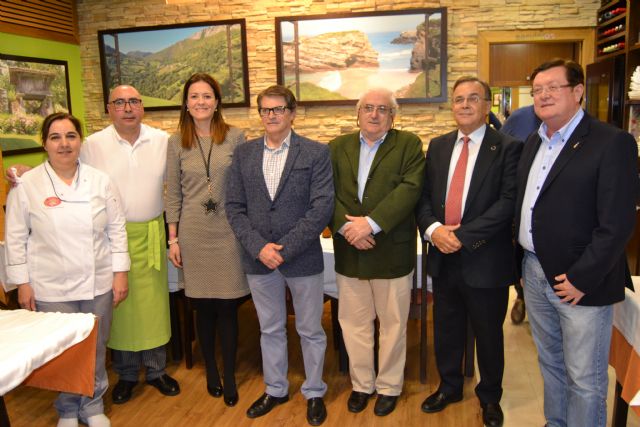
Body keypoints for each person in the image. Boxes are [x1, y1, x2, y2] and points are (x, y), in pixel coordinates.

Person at [515, 58, 638, 427]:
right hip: (535, 272)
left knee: (585, 379)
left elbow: (616, 223)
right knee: (550, 364)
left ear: (579, 91)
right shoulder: (533, 143)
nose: (544, 95)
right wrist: (521, 268)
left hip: (581, 282)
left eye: (553, 87)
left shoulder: (611, 142)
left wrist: (582, 278)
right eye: (537, 90)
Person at [4, 112, 130, 427]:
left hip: (97, 280)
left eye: (71, 136)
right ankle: (68, 410)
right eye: (56, 137)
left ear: (80, 141)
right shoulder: (27, 184)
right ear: (44, 144)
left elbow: (117, 230)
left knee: (94, 346)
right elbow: (16, 237)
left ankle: (92, 405)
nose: (64, 144)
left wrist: (120, 273)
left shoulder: (100, 180)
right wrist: (22, 282)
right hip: (49, 285)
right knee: (62, 353)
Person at [415, 77, 522, 427]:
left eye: (472, 98)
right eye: (458, 99)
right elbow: (425, 197)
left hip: (484, 257)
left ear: (487, 104)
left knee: (488, 333)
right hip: (443, 255)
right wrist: (434, 231)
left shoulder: (507, 147)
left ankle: (490, 397)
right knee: (446, 327)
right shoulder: (438, 145)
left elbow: (508, 202)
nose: (464, 105)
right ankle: (449, 386)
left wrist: (463, 235)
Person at [225, 85, 334, 426]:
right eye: (265, 110)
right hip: (258, 259)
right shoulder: (244, 154)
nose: (270, 116)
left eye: (277, 109)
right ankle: (276, 389)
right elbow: (234, 206)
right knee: (270, 329)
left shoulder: (315, 153)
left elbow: (321, 208)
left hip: (301, 258)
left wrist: (283, 250)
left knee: (310, 329)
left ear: (292, 112)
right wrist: (258, 247)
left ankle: (314, 391)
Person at [329, 88, 424, 417]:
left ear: (392, 116)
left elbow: (410, 189)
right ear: (358, 113)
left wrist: (370, 224)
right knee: (353, 325)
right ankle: (361, 384)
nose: (374, 114)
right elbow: (326, 193)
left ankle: (388, 386)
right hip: (350, 252)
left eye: (382, 109)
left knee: (393, 325)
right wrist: (347, 229)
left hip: (391, 253)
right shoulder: (337, 147)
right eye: (367, 107)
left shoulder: (408, 145)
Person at [81, 85, 179, 403]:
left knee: (153, 308)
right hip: (111, 237)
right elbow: (66, 171)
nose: (127, 108)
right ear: (108, 108)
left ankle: (156, 370)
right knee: (120, 307)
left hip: (152, 233)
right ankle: (125, 374)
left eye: (134, 101)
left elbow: (181, 181)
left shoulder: (162, 140)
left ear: (142, 107)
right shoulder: (92, 145)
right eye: (120, 102)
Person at [165, 73, 249, 407]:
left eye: (207, 96)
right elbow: (173, 194)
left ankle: (229, 375)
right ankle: (210, 371)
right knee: (202, 309)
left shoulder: (236, 136)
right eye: (195, 96)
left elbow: (244, 188)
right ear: (186, 103)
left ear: (217, 102)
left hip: (229, 232)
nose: (201, 102)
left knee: (228, 308)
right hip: (194, 233)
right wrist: (173, 239)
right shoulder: (176, 142)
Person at [500, 104, 542, 324]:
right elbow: (501, 150)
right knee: (521, 248)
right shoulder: (519, 118)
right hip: (520, 200)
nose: (546, 95)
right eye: (538, 89)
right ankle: (522, 294)